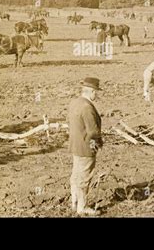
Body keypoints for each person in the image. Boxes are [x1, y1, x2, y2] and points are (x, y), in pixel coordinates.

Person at [67, 77, 103, 215]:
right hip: (86, 147)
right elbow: (93, 131)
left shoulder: (74, 102)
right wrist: (98, 142)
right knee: (84, 177)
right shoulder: (87, 107)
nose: (96, 95)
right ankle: (82, 208)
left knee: (76, 174)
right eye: (96, 92)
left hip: (75, 145)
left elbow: (69, 122)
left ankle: (74, 202)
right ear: (92, 91)